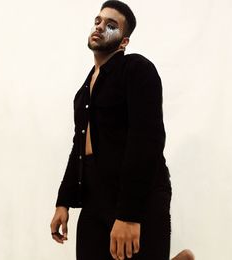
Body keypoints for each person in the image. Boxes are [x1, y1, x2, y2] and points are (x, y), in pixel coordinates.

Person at [50, 1, 174, 259]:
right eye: (97, 21)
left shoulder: (137, 70)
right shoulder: (83, 92)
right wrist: (63, 201)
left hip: (139, 196)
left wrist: (129, 214)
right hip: (95, 198)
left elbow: (147, 140)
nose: (100, 27)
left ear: (124, 42)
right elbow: (80, 146)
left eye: (111, 25)